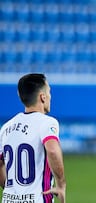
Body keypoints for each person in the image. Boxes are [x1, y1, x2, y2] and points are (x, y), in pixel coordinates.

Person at [0, 73, 66, 203]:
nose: (50, 97)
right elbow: (52, 150)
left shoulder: (6, 127)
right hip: (37, 198)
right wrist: (61, 185)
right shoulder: (47, 122)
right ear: (42, 97)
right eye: (49, 92)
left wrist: (10, 188)